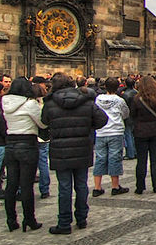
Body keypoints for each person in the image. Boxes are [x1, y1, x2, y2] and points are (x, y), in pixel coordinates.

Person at [41, 73, 109, 234]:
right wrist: (88, 127)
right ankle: (82, 218)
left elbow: (44, 121)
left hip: (60, 149)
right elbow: (102, 120)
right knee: (81, 184)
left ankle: (64, 223)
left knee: (64, 187)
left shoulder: (50, 103)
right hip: (82, 148)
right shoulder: (86, 100)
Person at [1, 77, 48, 231]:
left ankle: (11, 219)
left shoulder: (5, 102)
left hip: (10, 144)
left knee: (11, 184)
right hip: (27, 143)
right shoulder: (30, 104)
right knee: (26, 185)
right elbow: (42, 123)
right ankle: (29, 219)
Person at [129, 76, 156, 194]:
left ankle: (140, 186)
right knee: (155, 159)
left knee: (141, 160)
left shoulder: (136, 99)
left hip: (140, 132)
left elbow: (132, 115)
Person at [92, 77, 130, 197]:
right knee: (115, 157)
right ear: (118, 87)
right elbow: (125, 114)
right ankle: (115, 186)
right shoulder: (119, 100)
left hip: (101, 131)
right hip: (115, 131)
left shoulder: (98, 99)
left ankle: (97, 187)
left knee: (100, 158)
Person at [120, 78, 138, 160]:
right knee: (134, 135)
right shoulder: (136, 93)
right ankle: (135, 152)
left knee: (128, 135)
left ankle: (130, 153)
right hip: (135, 115)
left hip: (128, 116)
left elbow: (124, 108)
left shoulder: (125, 95)